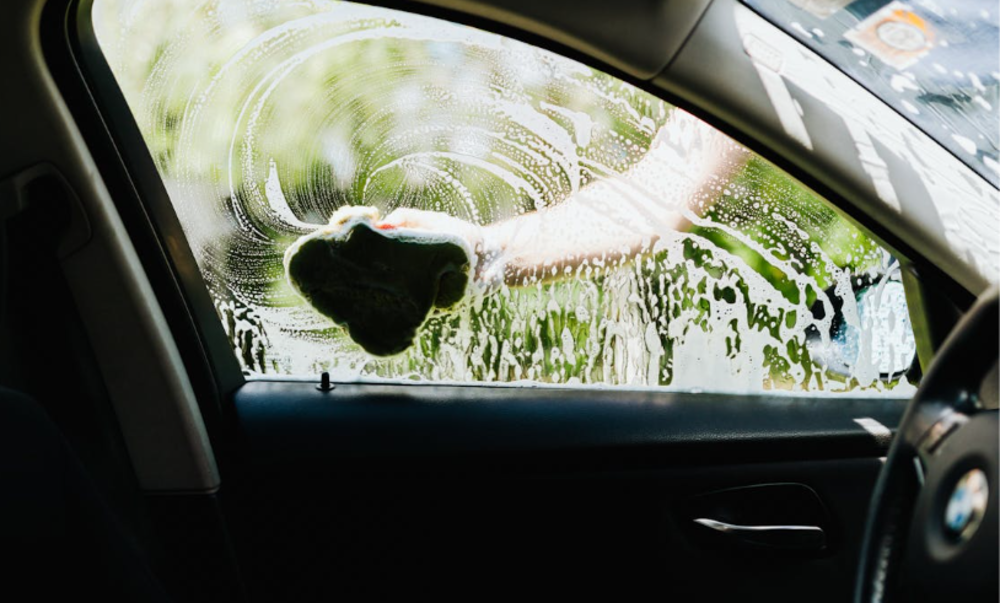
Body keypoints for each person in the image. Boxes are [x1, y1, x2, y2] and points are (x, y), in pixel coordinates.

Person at [285, 109, 749, 355]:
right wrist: (479, 250)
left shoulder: (775, 33)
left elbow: (659, 197)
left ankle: (481, 257)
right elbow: (662, 196)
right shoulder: (768, 36)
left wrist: (485, 252)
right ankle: (479, 257)